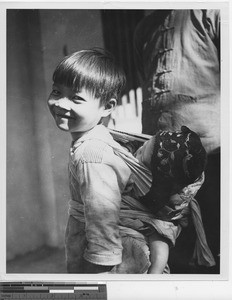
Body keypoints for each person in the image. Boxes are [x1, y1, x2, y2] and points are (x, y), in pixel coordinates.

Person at [134, 9, 220, 273]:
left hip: (213, 153)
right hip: (161, 161)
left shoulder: (212, 12)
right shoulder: (144, 28)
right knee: (174, 246)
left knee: (218, 241)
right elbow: (144, 78)